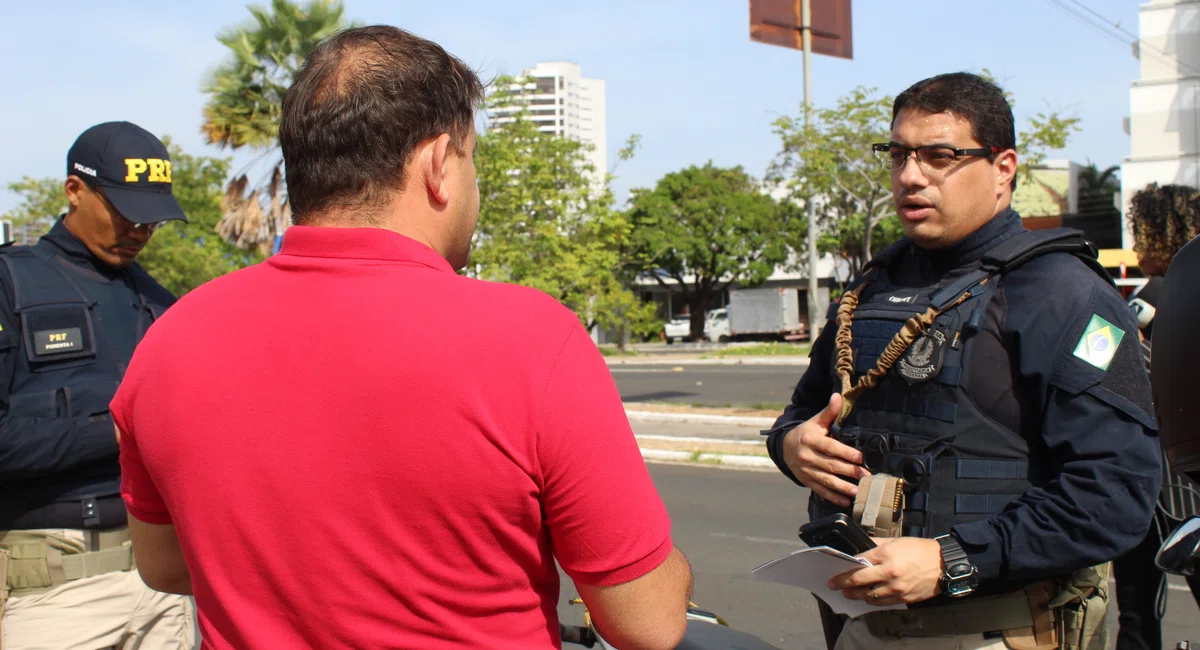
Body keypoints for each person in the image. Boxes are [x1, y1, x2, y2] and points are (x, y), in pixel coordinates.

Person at [110, 25, 693, 650]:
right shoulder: (530, 338)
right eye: (473, 160)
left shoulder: (168, 342)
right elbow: (649, 623)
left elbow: (164, 566)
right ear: (438, 165)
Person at [764, 72, 1162, 650]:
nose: (909, 176)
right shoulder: (875, 287)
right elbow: (801, 411)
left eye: (939, 156)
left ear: (1003, 168)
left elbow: (1115, 494)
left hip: (1005, 630)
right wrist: (791, 446)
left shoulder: (1064, 295)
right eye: (898, 154)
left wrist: (953, 559)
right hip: (862, 625)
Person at [0, 121, 195, 648]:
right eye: (125, 212)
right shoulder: (9, 284)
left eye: (151, 219)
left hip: (165, 590)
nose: (140, 231)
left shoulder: (163, 304)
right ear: (74, 190)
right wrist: (115, 432)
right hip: (55, 594)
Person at [1113, 182, 1200, 650]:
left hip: (1147, 485)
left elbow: (1100, 364)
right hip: (1187, 486)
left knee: (1137, 615)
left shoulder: (1146, 299)